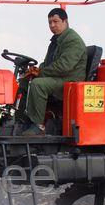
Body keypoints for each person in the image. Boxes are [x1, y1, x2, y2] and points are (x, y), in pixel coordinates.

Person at [20, 8, 87, 136]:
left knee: (38, 84)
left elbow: (64, 66)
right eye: (50, 22)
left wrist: (40, 73)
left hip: (69, 80)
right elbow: (47, 62)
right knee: (25, 80)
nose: (52, 25)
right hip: (58, 77)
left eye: (55, 21)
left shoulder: (73, 41)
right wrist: (35, 70)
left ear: (65, 21)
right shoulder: (56, 41)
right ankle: (22, 120)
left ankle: (38, 126)